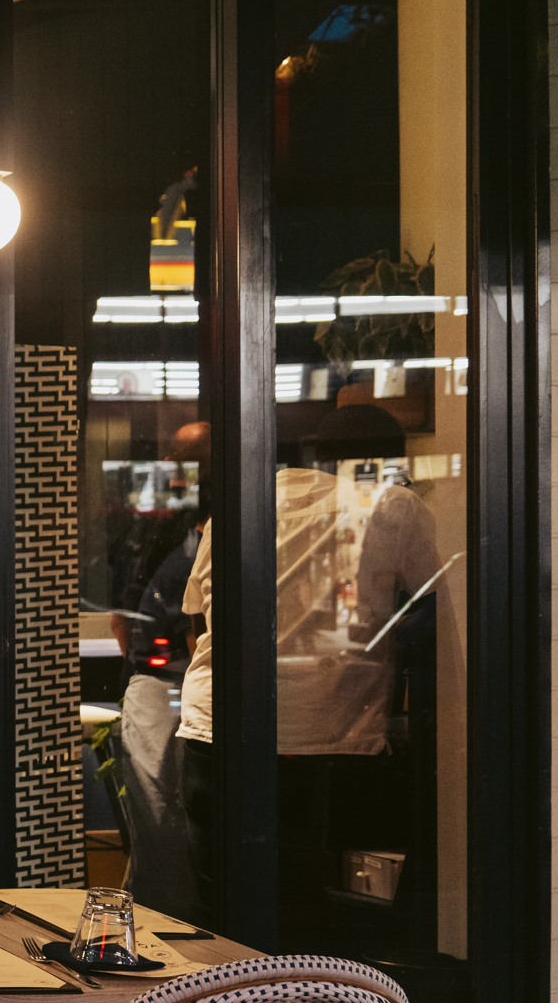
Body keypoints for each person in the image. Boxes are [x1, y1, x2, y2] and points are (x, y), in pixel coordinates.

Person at [173, 401, 445, 942]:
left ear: (318, 452)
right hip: (330, 737)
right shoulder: (395, 506)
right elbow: (438, 612)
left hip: (217, 731)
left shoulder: (240, 502)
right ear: (389, 461)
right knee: (326, 911)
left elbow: (198, 619)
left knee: (223, 900)